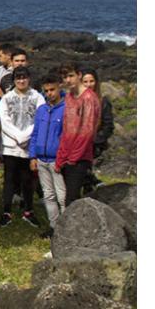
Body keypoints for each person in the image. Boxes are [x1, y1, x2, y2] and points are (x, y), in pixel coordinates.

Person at [0, 66, 44, 229]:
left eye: (24, 77)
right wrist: (18, 136)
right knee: (9, 179)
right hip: (10, 145)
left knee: (28, 179)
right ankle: (6, 211)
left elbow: (40, 118)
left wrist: (26, 136)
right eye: (18, 78)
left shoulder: (37, 97)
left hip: (29, 145)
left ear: (29, 78)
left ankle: (29, 210)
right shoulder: (7, 98)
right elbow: (4, 121)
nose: (21, 81)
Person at [56, 63, 102, 205]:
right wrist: (61, 156)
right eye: (65, 77)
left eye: (71, 76)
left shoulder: (89, 98)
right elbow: (66, 127)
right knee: (66, 196)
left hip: (80, 156)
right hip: (67, 154)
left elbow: (87, 132)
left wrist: (73, 158)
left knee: (72, 198)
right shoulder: (69, 96)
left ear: (79, 75)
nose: (68, 80)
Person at [30, 73, 67, 238]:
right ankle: (54, 227)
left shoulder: (66, 109)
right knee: (48, 195)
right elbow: (35, 133)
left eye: (52, 89)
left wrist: (62, 158)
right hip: (41, 158)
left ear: (59, 88)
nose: (49, 93)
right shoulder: (42, 110)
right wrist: (32, 156)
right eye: (46, 90)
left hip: (56, 159)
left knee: (62, 196)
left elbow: (66, 136)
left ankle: (67, 227)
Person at [81, 68, 115, 185]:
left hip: (95, 147)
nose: (88, 85)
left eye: (91, 81)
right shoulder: (76, 101)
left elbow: (108, 126)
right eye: (85, 82)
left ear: (96, 82)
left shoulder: (103, 101)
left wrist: (94, 141)